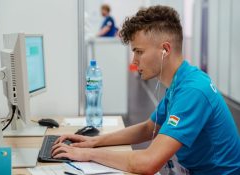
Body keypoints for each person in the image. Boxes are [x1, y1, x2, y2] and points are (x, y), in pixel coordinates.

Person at [52, 6, 240, 174]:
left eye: (139, 52)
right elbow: (149, 127)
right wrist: (93, 142)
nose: (134, 61)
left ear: (165, 50)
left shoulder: (193, 91)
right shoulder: (182, 80)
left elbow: (148, 163)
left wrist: (87, 154)